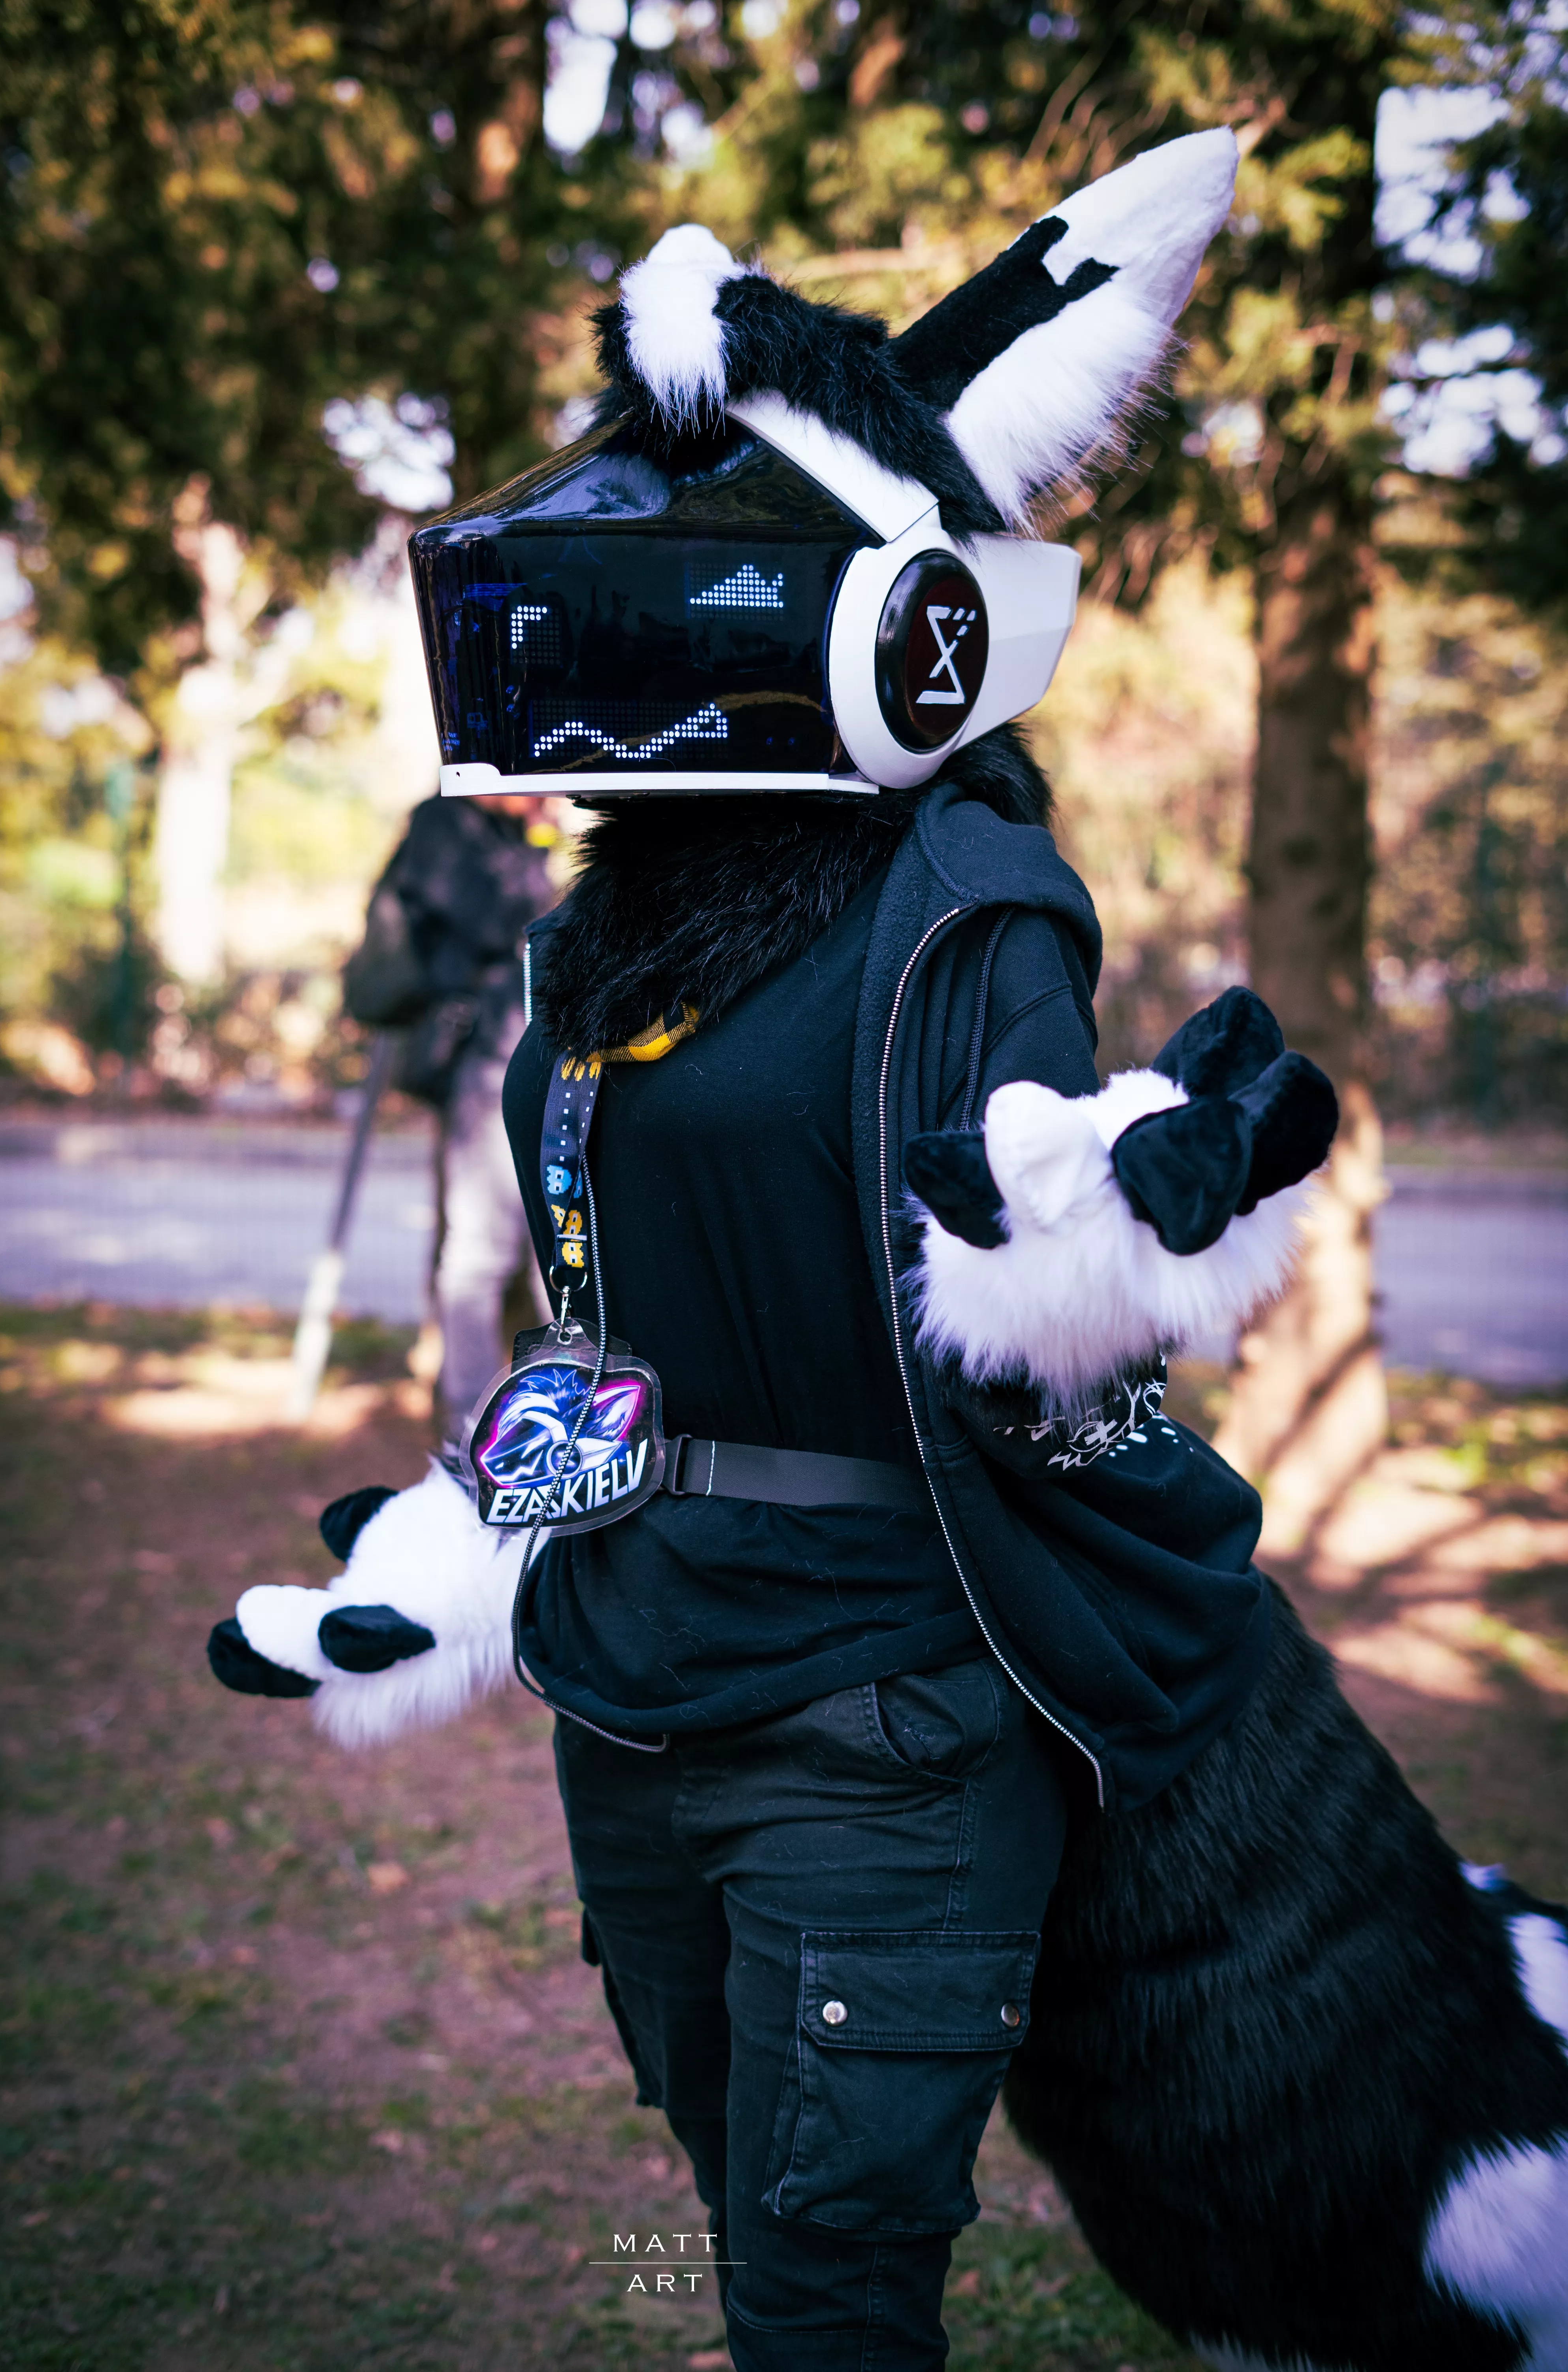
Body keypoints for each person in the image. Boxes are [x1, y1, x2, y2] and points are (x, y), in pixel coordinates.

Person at [208, 127, 1568, 2372]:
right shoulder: (606, 944)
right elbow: (624, 1345)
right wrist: (457, 1549)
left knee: (829, 2280)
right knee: (748, 2235)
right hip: (640, 1695)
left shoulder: (966, 908)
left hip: (882, 1721)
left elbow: (1033, 1277)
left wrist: (1118, 1220)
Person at [342, 789, 555, 1435]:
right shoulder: (445, 824)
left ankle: (561, 1403)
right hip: (482, 1053)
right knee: (480, 1249)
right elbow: (506, 919)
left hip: (519, 1050)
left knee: (544, 1242)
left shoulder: (507, 835)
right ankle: (470, 1426)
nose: (542, 791)